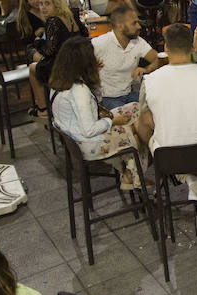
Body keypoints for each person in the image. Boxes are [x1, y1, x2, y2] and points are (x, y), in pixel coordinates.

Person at [134, 24, 197, 201]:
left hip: (168, 154)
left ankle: (185, 177)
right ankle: (194, 178)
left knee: (141, 124)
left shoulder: (150, 81)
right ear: (193, 46)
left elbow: (148, 121)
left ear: (165, 48)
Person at [49, 37, 144, 188]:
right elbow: (89, 129)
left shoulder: (58, 83)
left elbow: (95, 101)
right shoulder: (79, 91)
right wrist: (113, 121)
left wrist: (95, 74)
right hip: (88, 145)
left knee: (135, 107)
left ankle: (127, 172)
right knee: (135, 132)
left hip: (75, 138)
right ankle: (134, 177)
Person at [27, 0, 84, 115]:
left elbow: (49, 51)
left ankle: (43, 109)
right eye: (41, 4)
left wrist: (37, 41)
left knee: (32, 67)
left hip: (62, 67)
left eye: (47, 3)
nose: (43, 7)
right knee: (35, 58)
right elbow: (84, 33)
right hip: (77, 62)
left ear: (56, 4)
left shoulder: (53, 21)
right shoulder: (71, 16)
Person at [91, 4, 159, 110]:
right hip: (107, 98)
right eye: (134, 23)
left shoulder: (138, 42)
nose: (139, 26)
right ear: (120, 26)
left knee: (156, 106)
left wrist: (146, 69)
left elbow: (158, 59)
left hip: (130, 94)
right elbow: (79, 67)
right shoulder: (99, 44)